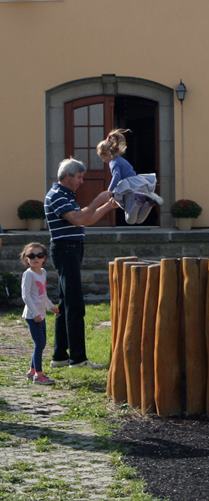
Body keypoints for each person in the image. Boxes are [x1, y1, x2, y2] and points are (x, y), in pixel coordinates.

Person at [45, 158, 117, 369]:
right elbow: (77, 218)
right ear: (67, 176)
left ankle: (60, 356)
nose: (82, 181)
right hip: (66, 250)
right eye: (79, 177)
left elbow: (86, 220)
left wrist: (107, 206)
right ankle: (78, 359)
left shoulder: (66, 195)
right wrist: (97, 200)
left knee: (66, 303)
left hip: (70, 250)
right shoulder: (57, 195)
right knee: (75, 305)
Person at [97, 129, 163, 225]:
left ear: (106, 154)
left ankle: (138, 200)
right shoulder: (120, 159)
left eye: (102, 158)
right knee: (139, 220)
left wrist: (110, 190)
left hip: (131, 188)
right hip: (140, 184)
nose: (103, 161)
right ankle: (149, 203)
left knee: (129, 220)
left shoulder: (113, 162)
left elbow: (116, 176)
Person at [19, 242, 59, 385]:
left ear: (44, 258)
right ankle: (39, 375)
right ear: (26, 259)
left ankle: (32, 371)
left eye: (39, 255)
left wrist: (51, 307)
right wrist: (35, 313)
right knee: (39, 343)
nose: (35, 258)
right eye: (31, 255)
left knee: (41, 344)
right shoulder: (28, 274)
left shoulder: (43, 272)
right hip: (32, 316)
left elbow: (43, 295)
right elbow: (26, 296)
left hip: (41, 314)